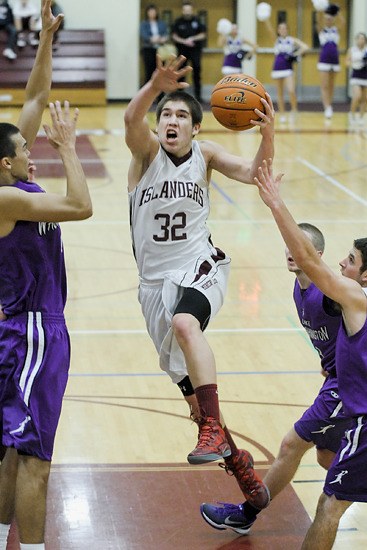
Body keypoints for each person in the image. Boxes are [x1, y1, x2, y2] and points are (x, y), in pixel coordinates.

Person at [124, 53, 275, 509]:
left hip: (199, 265)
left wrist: (268, 135)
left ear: (196, 128)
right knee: (197, 408)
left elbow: (253, 173)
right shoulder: (145, 153)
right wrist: (154, 85)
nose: (171, 120)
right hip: (153, 288)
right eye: (166, 114)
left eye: (181, 115)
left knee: (188, 325)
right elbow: (132, 118)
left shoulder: (204, 156)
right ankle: (243, 471)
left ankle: (215, 432)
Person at [0, 1, 92, 548]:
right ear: (5, 165)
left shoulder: (9, 180)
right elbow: (80, 206)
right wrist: (68, 150)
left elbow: (33, 98)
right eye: (23, 153)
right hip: (35, 329)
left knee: (10, 451)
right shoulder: (8, 198)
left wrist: (45, 41)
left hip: (19, 326)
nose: (30, 153)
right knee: (36, 459)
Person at [200, 222, 352, 535]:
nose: (291, 250)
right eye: (288, 243)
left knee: (291, 444)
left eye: (300, 245)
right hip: (334, 380)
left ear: (317, 255)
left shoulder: (329, 291)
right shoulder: (299, 289)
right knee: (326, 456)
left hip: (347, 387)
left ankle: (246, 513)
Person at [247, 158, 367, 549]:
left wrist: (276, 204)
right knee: (324, 459)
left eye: (349, 262)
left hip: (363, 418)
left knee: (329, 508)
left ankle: (248, 511)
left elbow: (311, 260)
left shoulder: (355, 297)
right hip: (352, 406)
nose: (341, 265)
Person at [262, 18, 309, 123]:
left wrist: (295, 54)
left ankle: (294, 111)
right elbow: (269, 30)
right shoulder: (276, 40)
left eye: (284, 28)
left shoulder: (291, 40)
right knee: (280, 93)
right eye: (281, 28)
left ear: (287, 30)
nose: (283, 30)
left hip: (288, 68)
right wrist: (266, 19)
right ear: (278, 30)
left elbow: (305, 47)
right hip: (277, 68)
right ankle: (282, 114)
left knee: (291, 90)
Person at [172, 1, 206, 103]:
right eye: (185, 10)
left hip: (195, 50)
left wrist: (192, 38)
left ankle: (198, 97)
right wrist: (184, 41)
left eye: (189, 10)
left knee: (197, 72)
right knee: (181, 73)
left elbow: (203, 34)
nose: (187, 12)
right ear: (183, 10)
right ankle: (179, 96)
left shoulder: (197, 21)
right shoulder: (178, 22)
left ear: (191, 10)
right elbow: (174, 36)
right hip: (182, 51)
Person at [316, 3, 345, 119]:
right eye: (326, 19)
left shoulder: (336, 30)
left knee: (332, 85)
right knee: (324, 85)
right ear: (324, 20)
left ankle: (329, 105)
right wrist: (319, 9)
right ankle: (326, 107)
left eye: (330, 19)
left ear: (332, 20)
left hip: (335, 60)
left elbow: (343, 22)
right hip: (324, 60)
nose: (328, 21)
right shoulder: (322, 31)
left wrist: (337, 12)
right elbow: (317, 22)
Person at [140, 4, 168, 85]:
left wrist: (162, 39)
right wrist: (153, 39)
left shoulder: (161, 23)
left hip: (160, 50)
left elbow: (165, 34)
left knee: (161, 73)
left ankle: (160, 96)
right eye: (150, 11)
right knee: (149, 72)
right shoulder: (144, 24)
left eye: (153, 11)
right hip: (148, 49)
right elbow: (144, 36)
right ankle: (148, 94)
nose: (152, 13)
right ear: (147, 13)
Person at [346, 32, 367, 126]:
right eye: (359, 38)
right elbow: (346, 62)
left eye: (363, 39)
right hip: (356, 74)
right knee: (357, 95)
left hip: (365, 75)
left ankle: (361, 117)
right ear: (356, 40)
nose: (361, 40)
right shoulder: (352, 50)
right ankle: (352, 114)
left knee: (365, 98)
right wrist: (354, 64)